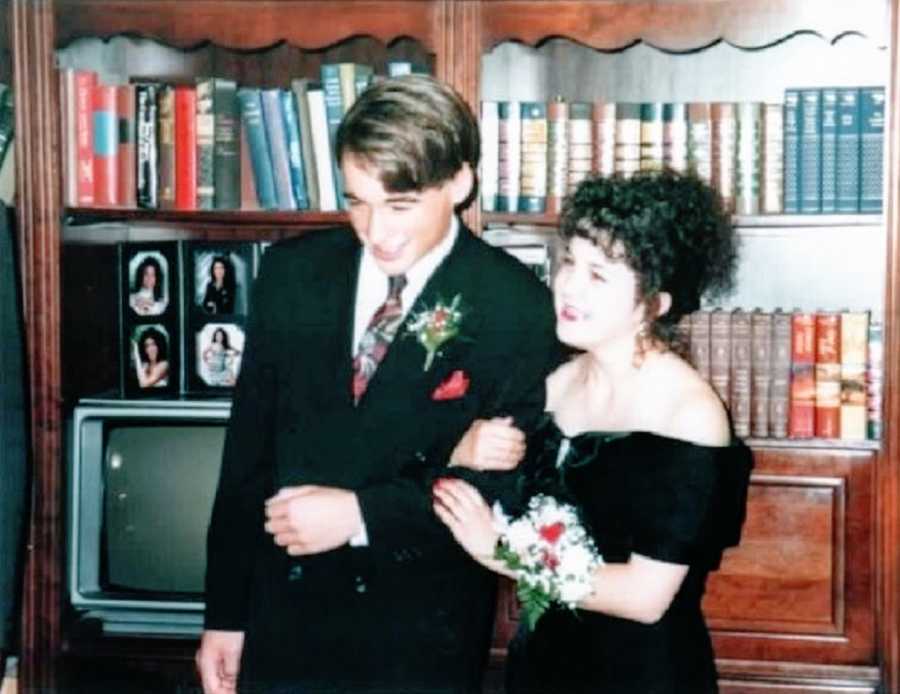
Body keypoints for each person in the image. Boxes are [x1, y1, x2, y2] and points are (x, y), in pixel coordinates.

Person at [196, 74, 561, 694]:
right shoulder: (292, 275)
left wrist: (362, 515)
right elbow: (247, 459)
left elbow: (507, 487)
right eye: (357, 201)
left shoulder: (515, 304)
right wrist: (224, 617)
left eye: (400, 204)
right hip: (285, 626)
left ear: (459, 185)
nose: (376, 231)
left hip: (417, 639)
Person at [433, 170, 753, 694]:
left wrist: (502, 552)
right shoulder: (557, 381)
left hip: (640, 673)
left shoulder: (690, 414)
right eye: (568, 262)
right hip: (541, 662)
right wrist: (463, 445)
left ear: (655, 303)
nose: (568, 286)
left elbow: (646, 598)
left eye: (599, 275)